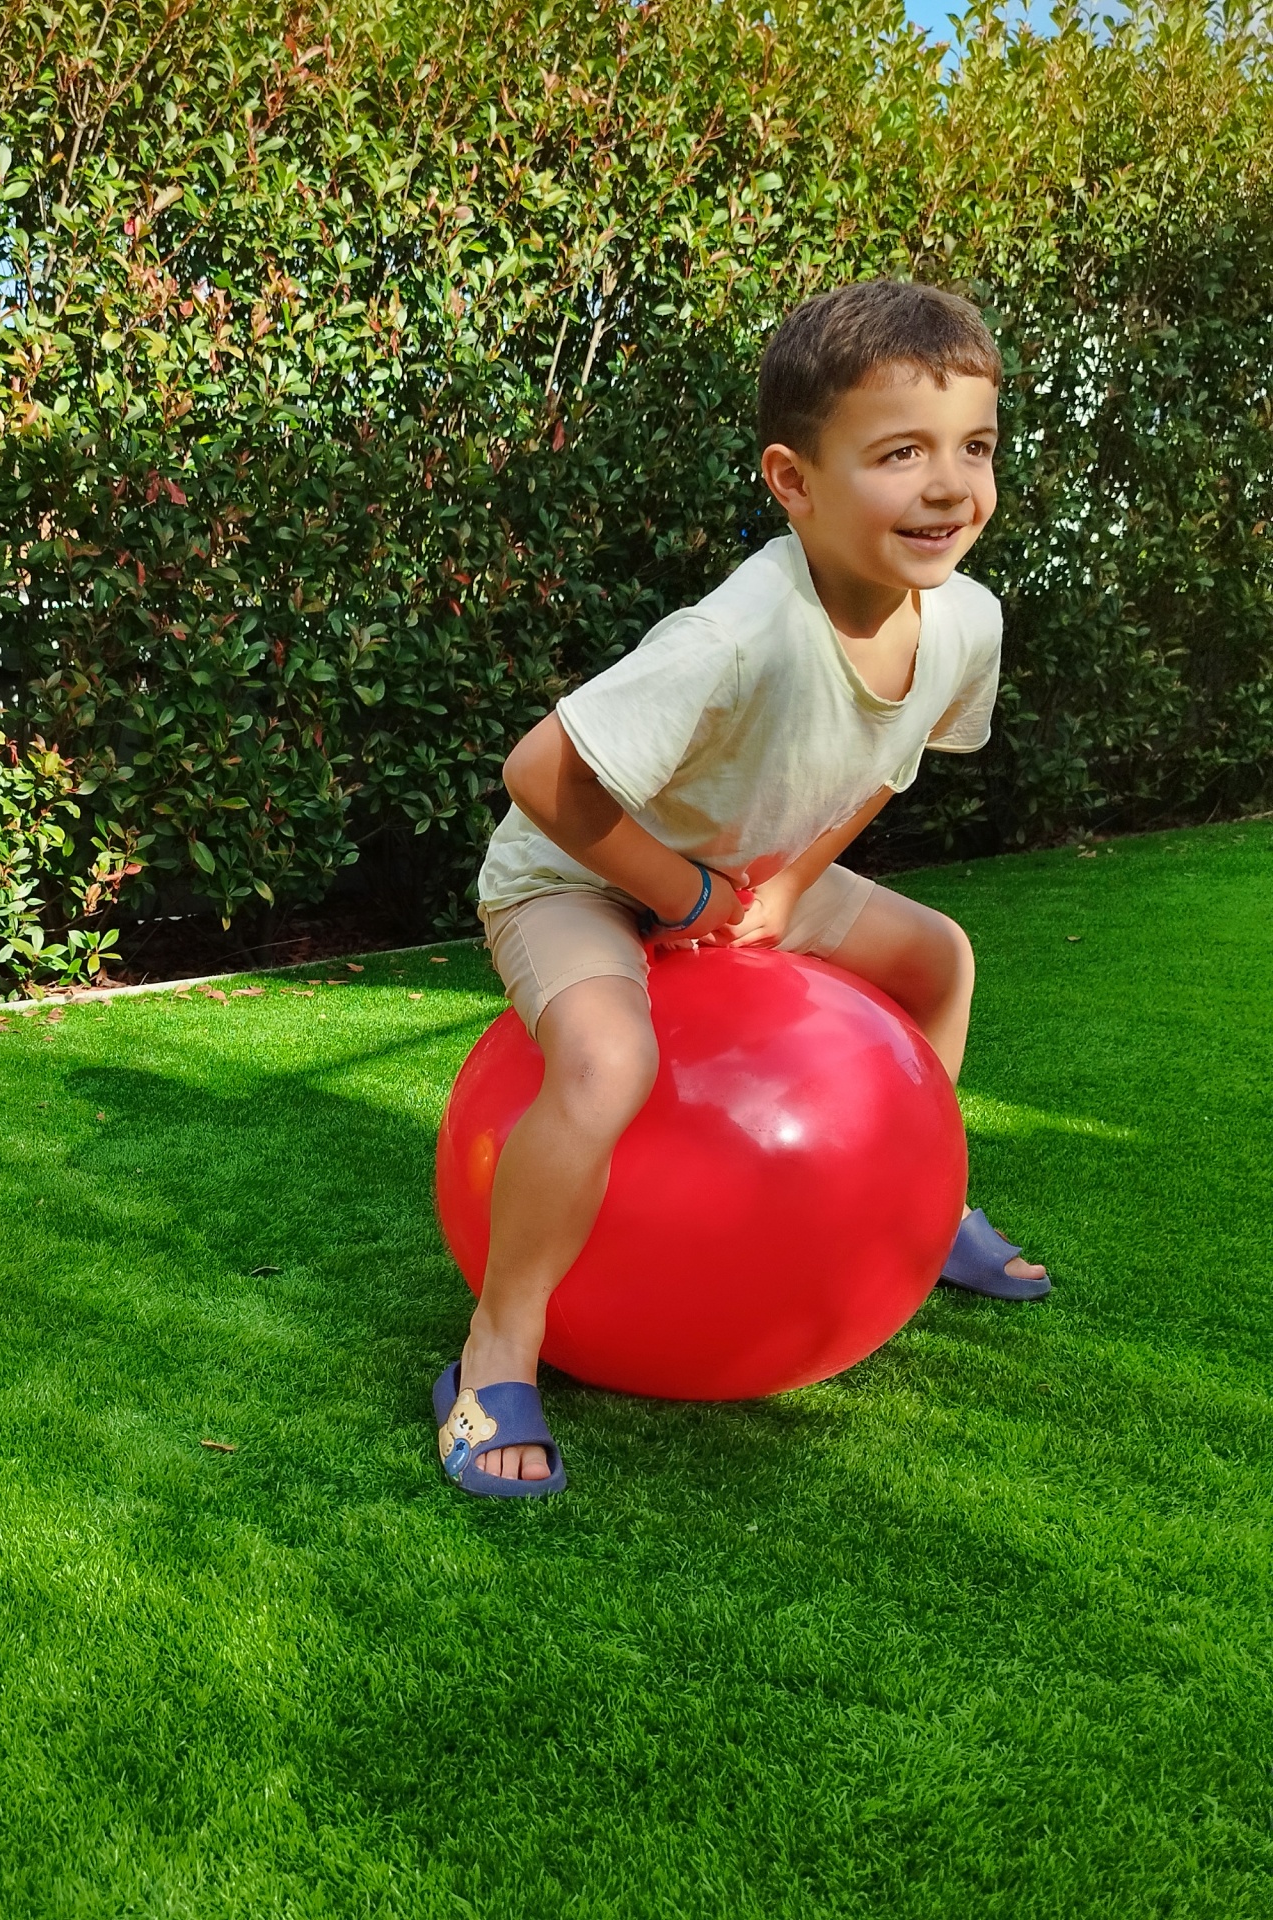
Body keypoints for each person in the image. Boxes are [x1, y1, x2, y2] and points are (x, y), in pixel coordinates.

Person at [437, 279, 1049, 1500]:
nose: (948, 485)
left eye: (973, 447)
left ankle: (926, 1208)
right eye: (900, 453)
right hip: (578, 875)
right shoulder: (738, 633)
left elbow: (889, 763)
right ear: (794, 479)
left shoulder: (963, 621)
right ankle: (495, 1349)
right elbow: (540, 777)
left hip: (747, 868)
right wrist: (676, 893)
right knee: (611, 1063)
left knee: (942, 957)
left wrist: (792, 884)